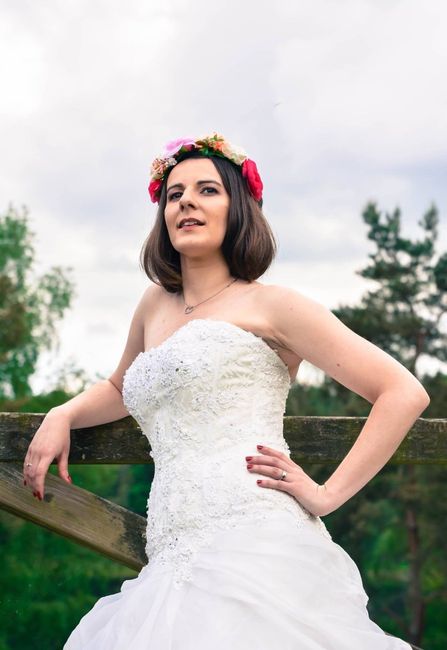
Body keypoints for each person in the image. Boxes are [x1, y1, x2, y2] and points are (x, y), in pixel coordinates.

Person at [23, 132, 429, 649]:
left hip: (256, 540)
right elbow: (119, 387)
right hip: (170, 553)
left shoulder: (274, 306)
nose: (187, 201)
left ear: (239, 210)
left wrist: (327, 496)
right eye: (174, 194)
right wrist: (62, 412)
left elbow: (402, 392)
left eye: (207, 190)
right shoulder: (154, 304)